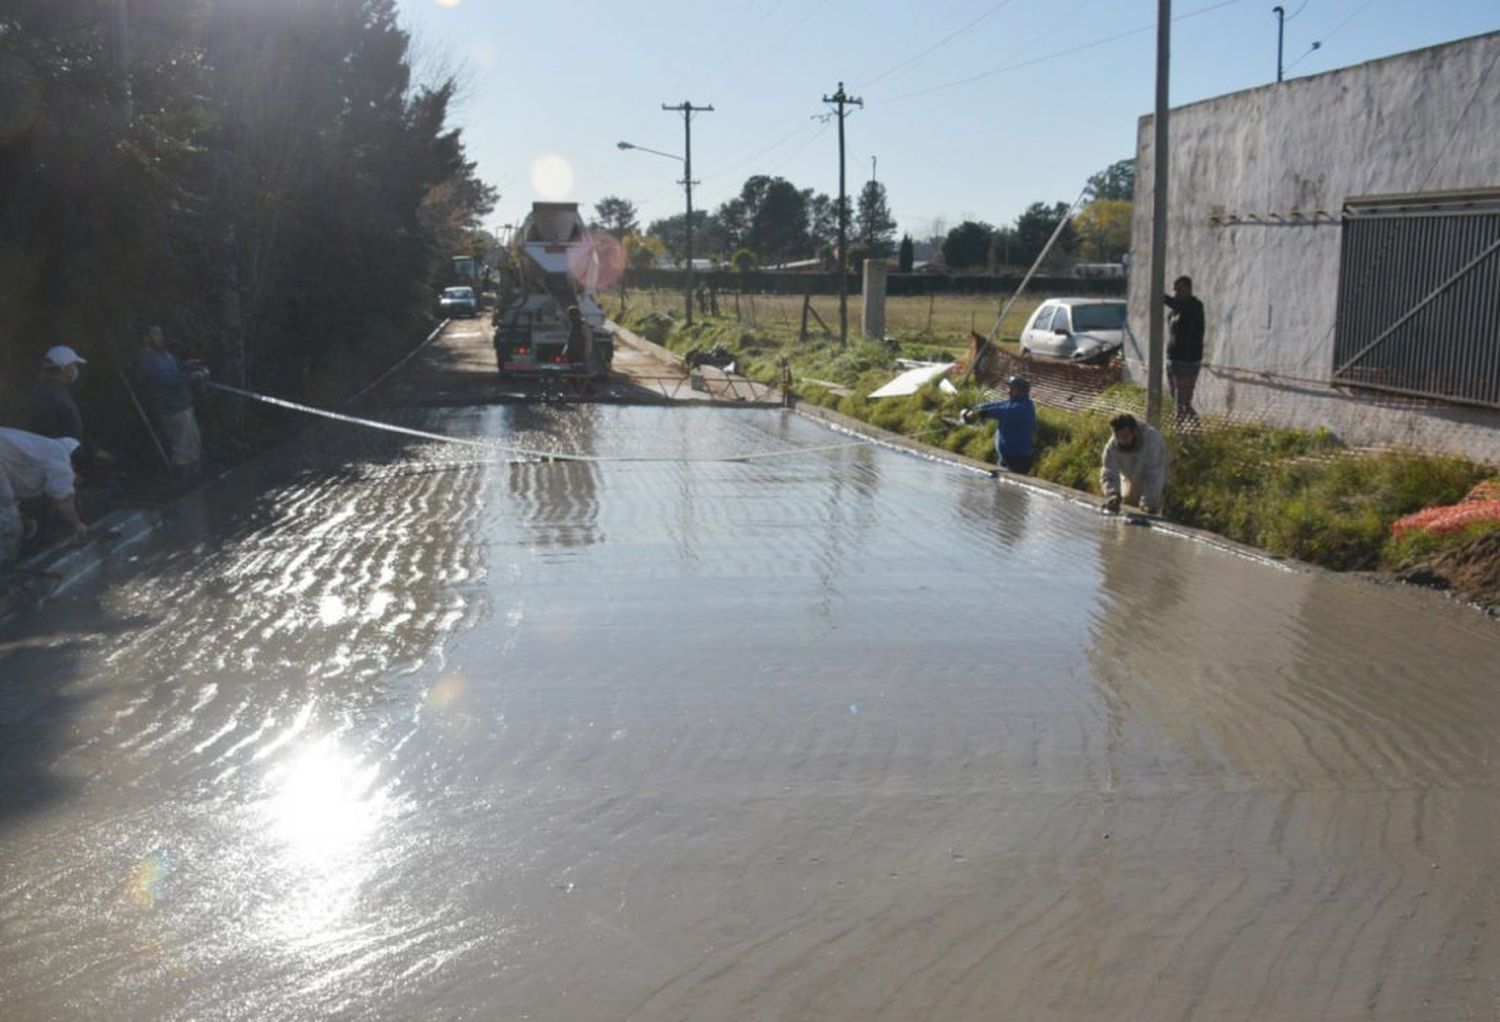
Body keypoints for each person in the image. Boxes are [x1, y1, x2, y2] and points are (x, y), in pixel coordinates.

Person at [0, 427, 88, 563]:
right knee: (10, 525)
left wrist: (23, 518)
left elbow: (14, 479)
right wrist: (77, 524)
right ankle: (6, 571)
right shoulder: (60, 461)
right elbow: (63, 501)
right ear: (74, 466)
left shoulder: (50, 447)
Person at [134, 324, 208, 478]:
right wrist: (194, 377)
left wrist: (190, 365)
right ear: (145, 338)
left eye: (161, 333)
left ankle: (199, 482)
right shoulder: (146, 358)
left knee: (194, 445)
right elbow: (167, 379)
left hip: (184, 406)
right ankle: (185, 485)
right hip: (172, 410)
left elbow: (177, 366)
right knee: (183, 451)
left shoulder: (163, 354)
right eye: (156, 334)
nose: (160, 337)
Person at [960, 375, 1037, 474]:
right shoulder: (1010, 402)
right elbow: (993, 405)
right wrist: (974, 408)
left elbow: (1003, 412)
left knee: (1008, 488)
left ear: (1021, 391)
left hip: (1018, 460)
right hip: (1005, 458)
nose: (1008, 391)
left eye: (1012, 388)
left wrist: (982, 413)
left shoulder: (1025, 407)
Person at [1100, 412, 1168, 515]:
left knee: (1152, 507)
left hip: (1155, 470)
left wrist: (1149, 504)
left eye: (1126, 437)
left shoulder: (1152, 441)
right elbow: (1109, 472)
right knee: (1127, 504)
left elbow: (1154, 476)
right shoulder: (1111, 447)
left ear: (1135, 432)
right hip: (1129, 475)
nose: (1122, 441)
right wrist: (1112, 494)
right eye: (1119, 437)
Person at [1163, 275, 1205, 422]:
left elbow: (1180, 307)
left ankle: (1182, 434)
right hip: (1173, 360)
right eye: (1174, 290)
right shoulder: (1174, 311)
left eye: (1179, 289)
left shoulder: (1195, 306)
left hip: (1187, 362)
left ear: (1188, 289)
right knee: (1177, 401)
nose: (1175, 293)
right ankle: (1194, 432)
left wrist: (1160, 295)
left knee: (1181, 404)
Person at [27, 345, 87, 443]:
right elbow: (48, 439)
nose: (76, 369)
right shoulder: (47, 394)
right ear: (65, 368)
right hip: (57, 456)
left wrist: (94, 451)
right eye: (74, 365)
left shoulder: (57, 391)